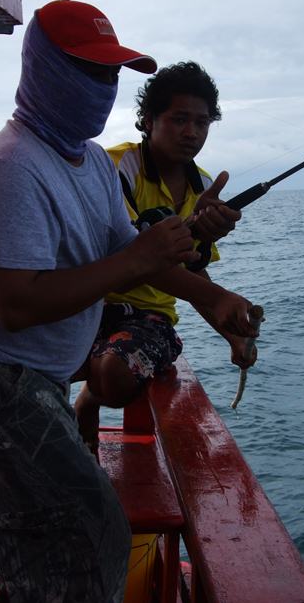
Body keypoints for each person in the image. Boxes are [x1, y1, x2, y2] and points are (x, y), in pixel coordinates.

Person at [0, 0, 255, 603]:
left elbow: (138, 248)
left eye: (111, 74)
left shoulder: (86, 164)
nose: (104, 88)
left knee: (54, 553)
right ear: (46, 70)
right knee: (86, 537)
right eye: (90, 72)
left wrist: (215, 297)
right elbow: (15, 305)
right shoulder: (12, 167)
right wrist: (136, 259)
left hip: (33, 381)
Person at [73, 61, 254, 454]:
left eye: (203, 123)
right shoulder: (115, 166)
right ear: (148, 120)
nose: (192, 132)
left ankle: (88, 400)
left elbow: (195, 274)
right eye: (179, 119)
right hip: (85, 302)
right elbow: (129, 255)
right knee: (18, 363)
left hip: (147, 318)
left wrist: (232, 336)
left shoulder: (203, 185)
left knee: (113, 376)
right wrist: (218, 295)